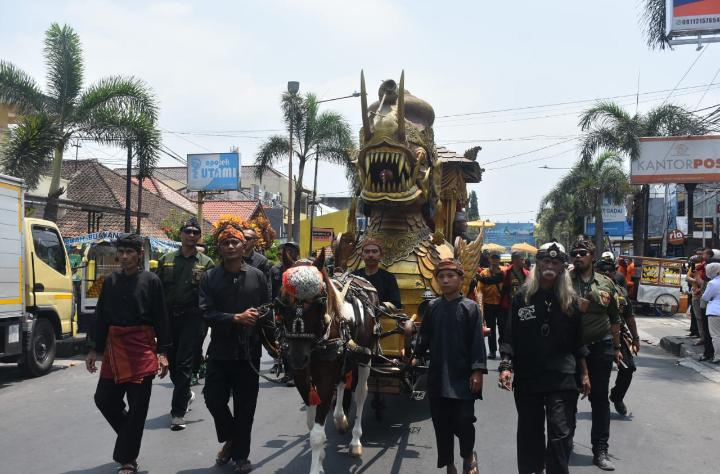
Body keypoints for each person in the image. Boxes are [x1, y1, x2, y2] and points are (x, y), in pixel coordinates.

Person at [499, 242, 590, 474]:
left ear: (562, 267)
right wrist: (506, 365)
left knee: (561, 432)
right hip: (529, 375)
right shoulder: (522, 297)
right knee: (530, 431)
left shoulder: (571, 301)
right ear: (538, 264)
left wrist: (585, 374)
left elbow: (578, 342)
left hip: (562, 376)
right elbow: (511, 334)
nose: (550, 265)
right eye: (546, 261)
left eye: (555, 262)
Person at [86, 234, 170, 474]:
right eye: (121, 252)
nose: (124, 257)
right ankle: (130, 434)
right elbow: (100, 316)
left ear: (139, 254)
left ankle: (128, 459)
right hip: (114, 348)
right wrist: (94, 348)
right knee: (103, 399)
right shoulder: (109, 281)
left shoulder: (152, 281)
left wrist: (163, 352)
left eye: (129, 252)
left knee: (138, 406)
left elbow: (162, 318)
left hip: (142, 349)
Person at [200, 222, 270, 473]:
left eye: (235, 242)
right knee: (212, 399)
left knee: (245, 407)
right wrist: (234, 318)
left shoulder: (258, 276)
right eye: (225, 243)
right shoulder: (210, 277)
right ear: (219, 248)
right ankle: (231, 437)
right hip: (220, 350)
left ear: (244, 246)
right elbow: (205, 312)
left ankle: (241, 456)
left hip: (249, 352)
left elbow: (267, 309)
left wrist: (260, 319)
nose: (230, 246)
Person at [414, 258, 486, 474]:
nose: (445, 280)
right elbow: (423, 336)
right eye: (441, 277)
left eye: (450, 276)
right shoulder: (433, 307)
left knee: (464, 420)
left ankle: (468, 455)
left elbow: (477, 343)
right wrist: (414, 354)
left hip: (463, 376)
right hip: (438, 376)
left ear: (460, 279)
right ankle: (449, 465)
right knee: (441, 425)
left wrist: (477, 371)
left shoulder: (470, 308)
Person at [156, 217, 214, 430]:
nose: (191, 235)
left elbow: (211, 294)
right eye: (187, 231)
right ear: (180, 234)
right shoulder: (167, 259)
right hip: (170, 318)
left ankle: (177, 413)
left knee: (184, 364)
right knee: (171, 363)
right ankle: (186, 393)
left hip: (193, 318)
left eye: (195, 232)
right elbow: (158, 291)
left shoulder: (206, 263)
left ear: (199, 236)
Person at [568, 239, 622, 471]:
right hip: (569, 349)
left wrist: (617, 348)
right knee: (567, 397)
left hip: (600, 347)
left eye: (583, 253)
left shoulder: (606, 283)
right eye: (574, 253)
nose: (578, 256)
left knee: (599, 400)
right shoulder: (563, 282)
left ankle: (600, 449)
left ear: (592, 256)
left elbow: (614, 319)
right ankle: (565, 440)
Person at [596, 257, 640, 417]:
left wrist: (635, 337)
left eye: (611, 270)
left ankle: (617, 397)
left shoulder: (620, 292)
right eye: (603, 270)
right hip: (594, 336)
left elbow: (629, 316)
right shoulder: (589, 290)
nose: (607, 273)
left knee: (628, 368)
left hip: (618, 336)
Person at [269, 241, 300, 385]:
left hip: (299, 312)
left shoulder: (302, 268)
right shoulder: (275, 269)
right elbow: (271, 290)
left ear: (297, 253)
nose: (287, 252)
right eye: (285, 249)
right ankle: (289, 373)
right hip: (281, 310)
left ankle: (300, 373)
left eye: (291, 250)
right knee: (283, 341)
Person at [471, 251, 505, 359]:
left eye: (497, 258)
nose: (495, 261)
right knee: (491, 328)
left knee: (503, 328)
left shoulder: (504, 272)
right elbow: (480, 290)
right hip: (489, 303)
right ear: (489, 260)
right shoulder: (484, 273)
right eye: (493, 258)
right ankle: (493, 350)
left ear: (499, 260)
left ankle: (503, 350)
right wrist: (480, 306)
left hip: (501, 303)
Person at [352, 238, 402, 308]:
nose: (370, 255)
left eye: (374, 251)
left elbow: (396, 304)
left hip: (382, 317)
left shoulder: (389, 278)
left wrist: (380, 308)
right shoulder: (354, 276)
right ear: (362, 256)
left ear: (381, 255)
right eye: (367, 252)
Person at [242, 227, 272, 301]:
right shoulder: (233, 258)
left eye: (248, 238)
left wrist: (267, 307)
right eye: (242, 238)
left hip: (254, 302)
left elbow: (267, 286)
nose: (244, 241)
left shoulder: (262, 261)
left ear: (255, 241)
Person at [701, 262, 720, 363]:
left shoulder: (712, 283)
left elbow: (705, 297)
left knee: (716, 335)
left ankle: (717, 356)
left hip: (715, 312)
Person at [500, 251, 529, 317]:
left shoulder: (527, 273)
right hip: (510, 302)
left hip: (523, 302)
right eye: (521, 259)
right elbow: (503, 289)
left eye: (523, 259)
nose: (524, 262)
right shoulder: (506, 273)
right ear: (514, 260)